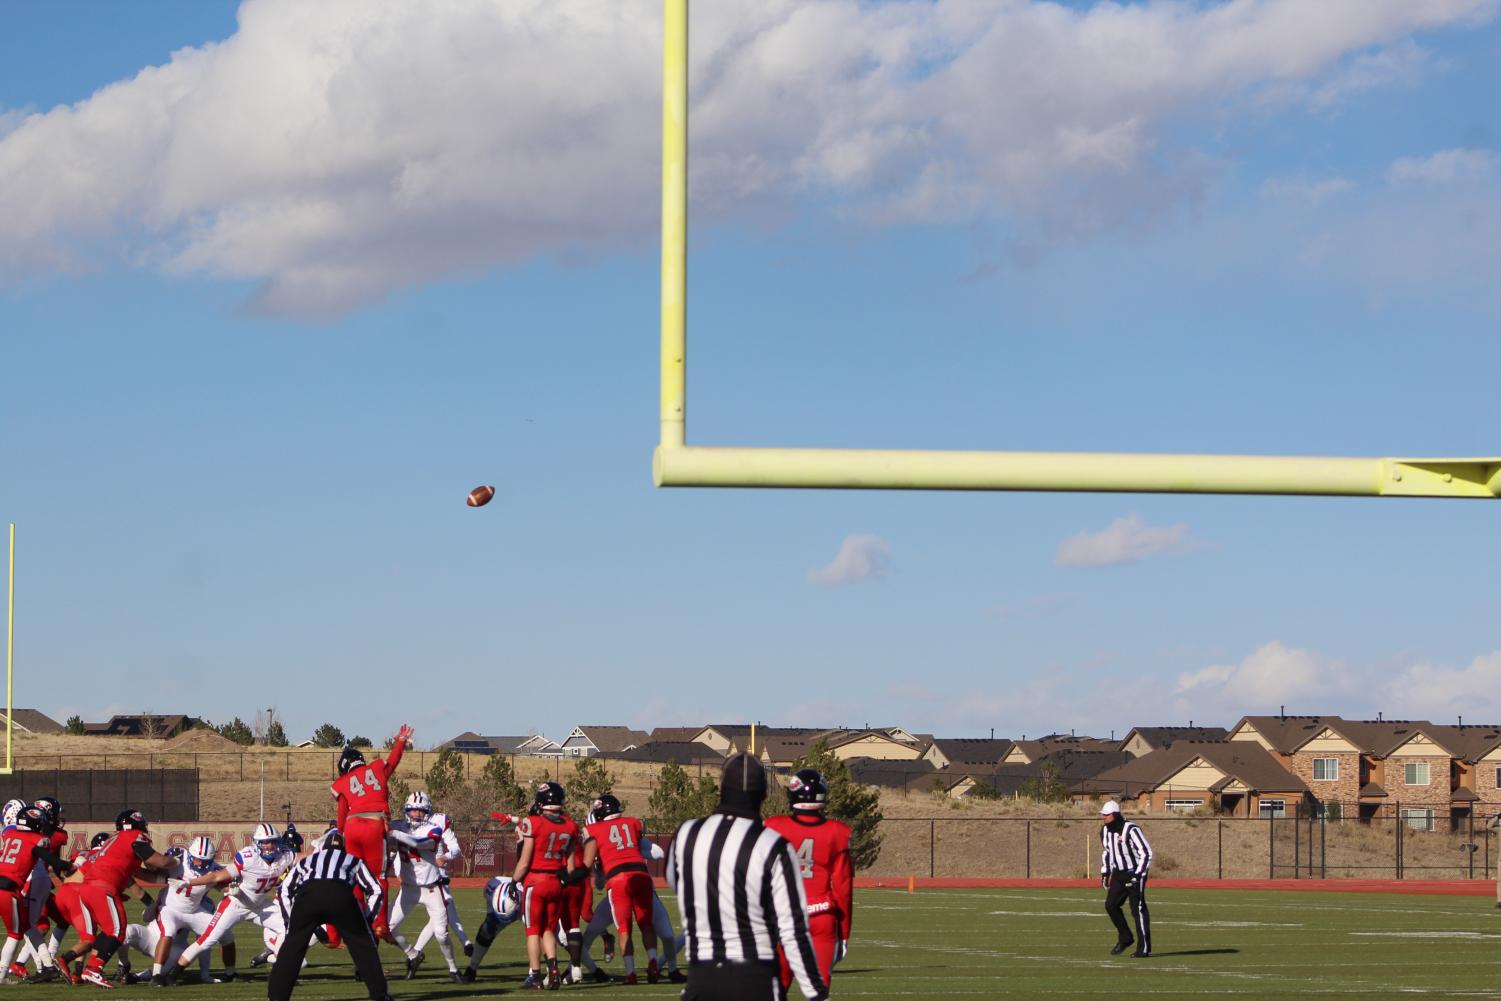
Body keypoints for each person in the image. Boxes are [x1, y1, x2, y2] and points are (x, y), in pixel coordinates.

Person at [667, 753, 828, 1001]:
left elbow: (676, 882)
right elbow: (793, 929)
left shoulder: (686, 833)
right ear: (764, 795)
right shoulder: (773, 844)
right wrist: (816, 993)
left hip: (702, 977)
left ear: (721, 789)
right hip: (755, 977)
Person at [268, 829, 390, 1001]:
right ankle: (380, 995)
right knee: (364, 947)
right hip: (340, 896)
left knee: (291, 949)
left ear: (323, 848)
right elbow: (376, 890)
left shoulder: (308, 860)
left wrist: (290, 923)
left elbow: (285, 890)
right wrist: (366, 919)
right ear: (344, 849)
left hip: (308, 897)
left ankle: (276, 997)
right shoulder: (352, 859)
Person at [164, 822, 294, 982]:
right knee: (206, 941)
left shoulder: (285, 855)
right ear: (257, 843)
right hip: (235, 905)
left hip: (260, 905)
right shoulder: (248, 857)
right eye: (265, 842)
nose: (270, 846)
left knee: (289, 928)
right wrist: (190, 882)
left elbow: (305, 856)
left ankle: (279, 967)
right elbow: (217, 877)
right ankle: (174, 974)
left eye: (273, 841)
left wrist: (321, 846)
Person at [765, 769, 854, 992]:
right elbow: (843, 889)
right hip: (821, 918)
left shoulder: (773, 827)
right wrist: (844, 933)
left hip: (785, 918)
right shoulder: (838, 832)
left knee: (775, 990)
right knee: (819, 991)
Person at [331, 725, 414, 942]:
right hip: (373, 823)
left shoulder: (341, 782)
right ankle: (380, 923)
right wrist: (401, 740)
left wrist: (343, 834)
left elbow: (340, 819)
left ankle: (356, 917)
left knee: (355, 878)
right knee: (379, 877)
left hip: (351, 827)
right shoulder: (376, 769)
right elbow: (393, 760)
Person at [576, 793, 659, 984]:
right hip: (641, 875)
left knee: (624, 928)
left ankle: (630, 973)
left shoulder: (592, 829)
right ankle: (653, 961)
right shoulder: (634, 822)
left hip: (618, 877)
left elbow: (590, 859)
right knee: (646, 924)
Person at [386, 791, 463, 981]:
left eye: (421, 811)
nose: (416, 815)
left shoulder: (433, 829)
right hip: (408, 890)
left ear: (427, 812)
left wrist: (393, 833)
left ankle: (453, 968)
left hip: (431, 889)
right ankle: (413, 954)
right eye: (413, 810)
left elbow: (418, 843)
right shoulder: (397, 825)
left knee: (441, 934)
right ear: (406, 811)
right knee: (386, 927)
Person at [512, 784, 578, 989]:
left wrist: (514, 881)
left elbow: (524, 861)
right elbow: (570, 866)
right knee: (549, 929)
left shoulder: (533, 823)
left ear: (541, 802)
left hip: (536, 881)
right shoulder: (571, 826)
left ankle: (536, 976)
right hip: (556, 884)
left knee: (533, 930)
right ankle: (554, 969)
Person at [1099, 800, 1152, 958]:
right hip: (1119, 873)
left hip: (1134, 872)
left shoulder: (1131, 829)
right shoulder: (1105, 831)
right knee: (1111, 905)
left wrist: (1138, 874)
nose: (1104, 818)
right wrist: (1105, 872)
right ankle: (1126, 937)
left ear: (1114, 815)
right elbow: (1107, 852)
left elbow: (1146, 852)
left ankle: (1144, 948)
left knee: (1138, 909)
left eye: (1106, 815)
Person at [459, 876, 523, 982]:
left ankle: (539, 972)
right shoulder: (490, 890)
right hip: (505, 902)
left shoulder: (526, 896)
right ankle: (472, 968)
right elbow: (490, 919)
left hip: (524, 903)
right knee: (486, 931)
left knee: (538, 933)